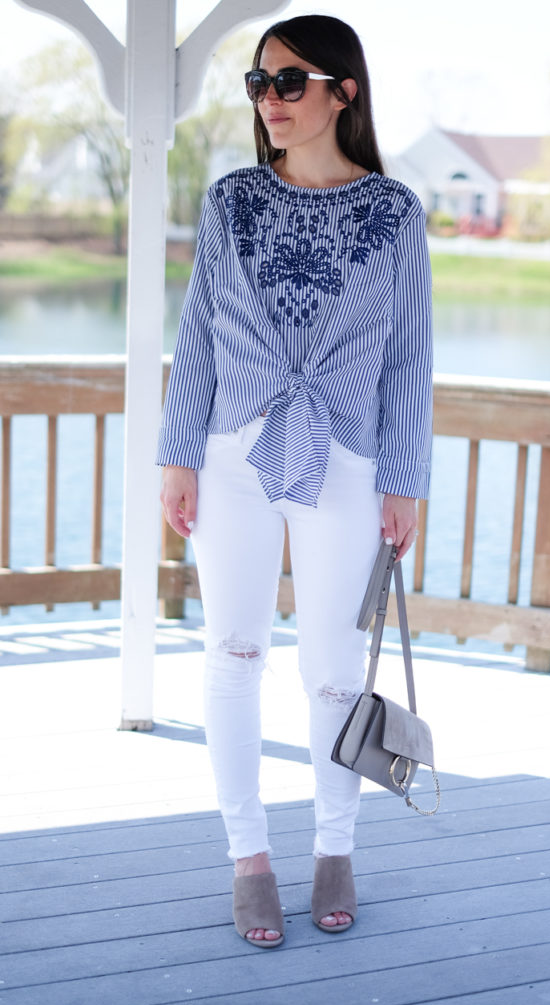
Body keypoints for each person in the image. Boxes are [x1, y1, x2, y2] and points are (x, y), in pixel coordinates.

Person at [158, 14, 432, 949]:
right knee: (233, 653)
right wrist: (176, 454)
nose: (268, 100)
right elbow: (196, 331)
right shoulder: (230, 199)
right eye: (258, 83)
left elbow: (408, 363)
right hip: (232, 456)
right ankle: (249, 859)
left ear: (341, 92)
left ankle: (333, 848)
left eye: (288, 82)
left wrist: (404, 480)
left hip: (348, 461)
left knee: (329, 672)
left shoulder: (394, 213)